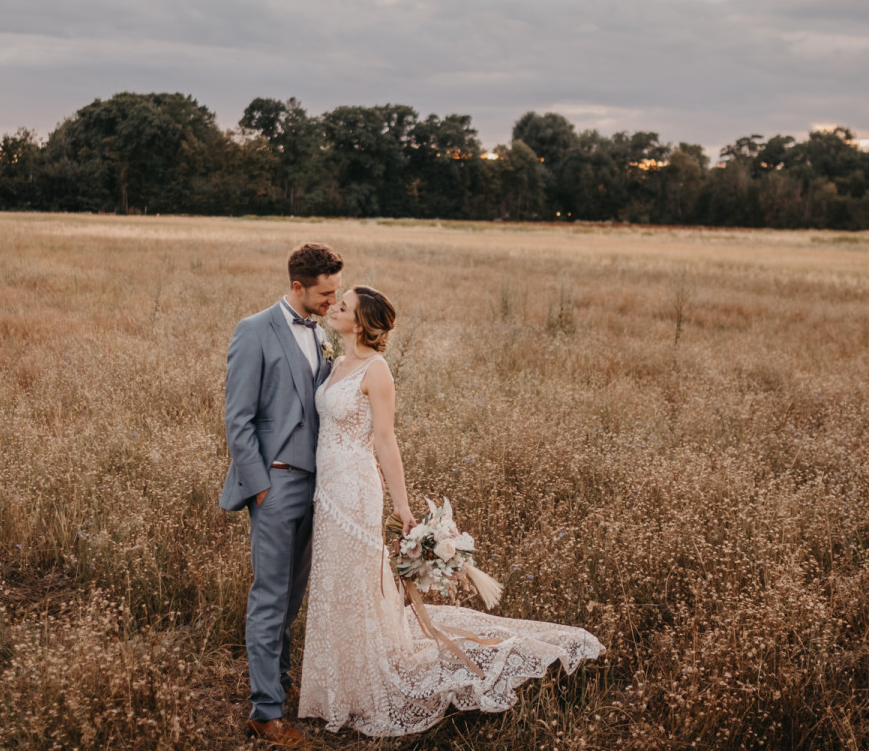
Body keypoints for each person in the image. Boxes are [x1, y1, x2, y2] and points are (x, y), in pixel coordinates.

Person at [299, 285, 602, 737]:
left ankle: (363, 687)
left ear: (360, 323)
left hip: (356, 491)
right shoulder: (337, 363)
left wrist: (402, 509)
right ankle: (333, 684)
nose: (334, 308)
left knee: (356, 582)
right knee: (333, 580)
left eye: (343, 306)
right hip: (328, 490)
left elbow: (385, 441)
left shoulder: (377, 371)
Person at [220, 242, 343, 748]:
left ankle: (282, 686)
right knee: (270, 599)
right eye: (325, 293)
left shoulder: (324, 334)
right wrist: (262, 489)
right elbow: (238, 418)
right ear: (297, 286)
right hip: (277, 483)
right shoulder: (254, 331)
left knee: (292, 598)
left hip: (320, 486)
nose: (332, 302)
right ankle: (265, 712)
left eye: (337, 292)